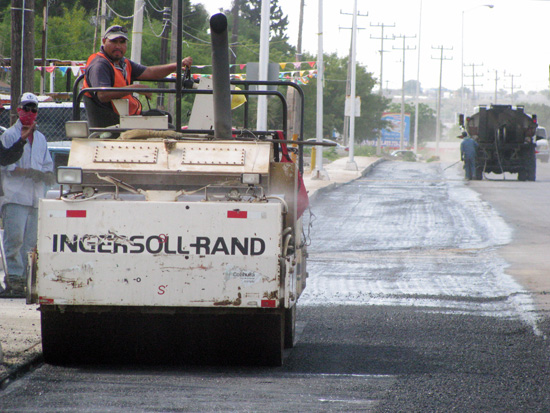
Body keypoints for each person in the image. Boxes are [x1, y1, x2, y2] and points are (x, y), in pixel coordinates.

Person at [83, 25, 193, 128]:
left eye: (122, 42)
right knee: (167, 128)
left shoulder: (123, 63)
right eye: (113, 41)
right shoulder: (99, 65)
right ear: (104, 41)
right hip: (111, 123)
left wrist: (177, 65)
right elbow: (102, 95)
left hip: (126, 118)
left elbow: (150, 72)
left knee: (165, 117)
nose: (118, 46)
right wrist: (136, 88)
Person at [0, 93, 54, 297]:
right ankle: (14, 280)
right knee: (14, 240)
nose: (30, 113)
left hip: (35, 198)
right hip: (15, 197)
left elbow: (47, 164)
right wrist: (31, 173)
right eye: (27, 108)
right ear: (19, 110)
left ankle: (27, 282)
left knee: (31, 243)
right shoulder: (10, 136)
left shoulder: (40, 138)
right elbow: (8, 166)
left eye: (34, 109)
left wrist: (47, 175)